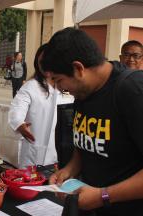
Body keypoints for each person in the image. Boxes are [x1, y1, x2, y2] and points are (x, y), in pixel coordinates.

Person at [42, 27, 143, 215]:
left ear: (79, 69)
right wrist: (69, 170)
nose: (60, 89)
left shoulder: (132, 90)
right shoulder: (84, 91)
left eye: (59, 81)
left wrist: (102, 196)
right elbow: (87, 144)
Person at [8, 44, 73, 168]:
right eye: (42, 61)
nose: (46, 65)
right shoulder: (31, 87)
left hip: (64, 156)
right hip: (35, 157)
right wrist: (20, 124)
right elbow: (16, 110)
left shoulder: (69, 88)